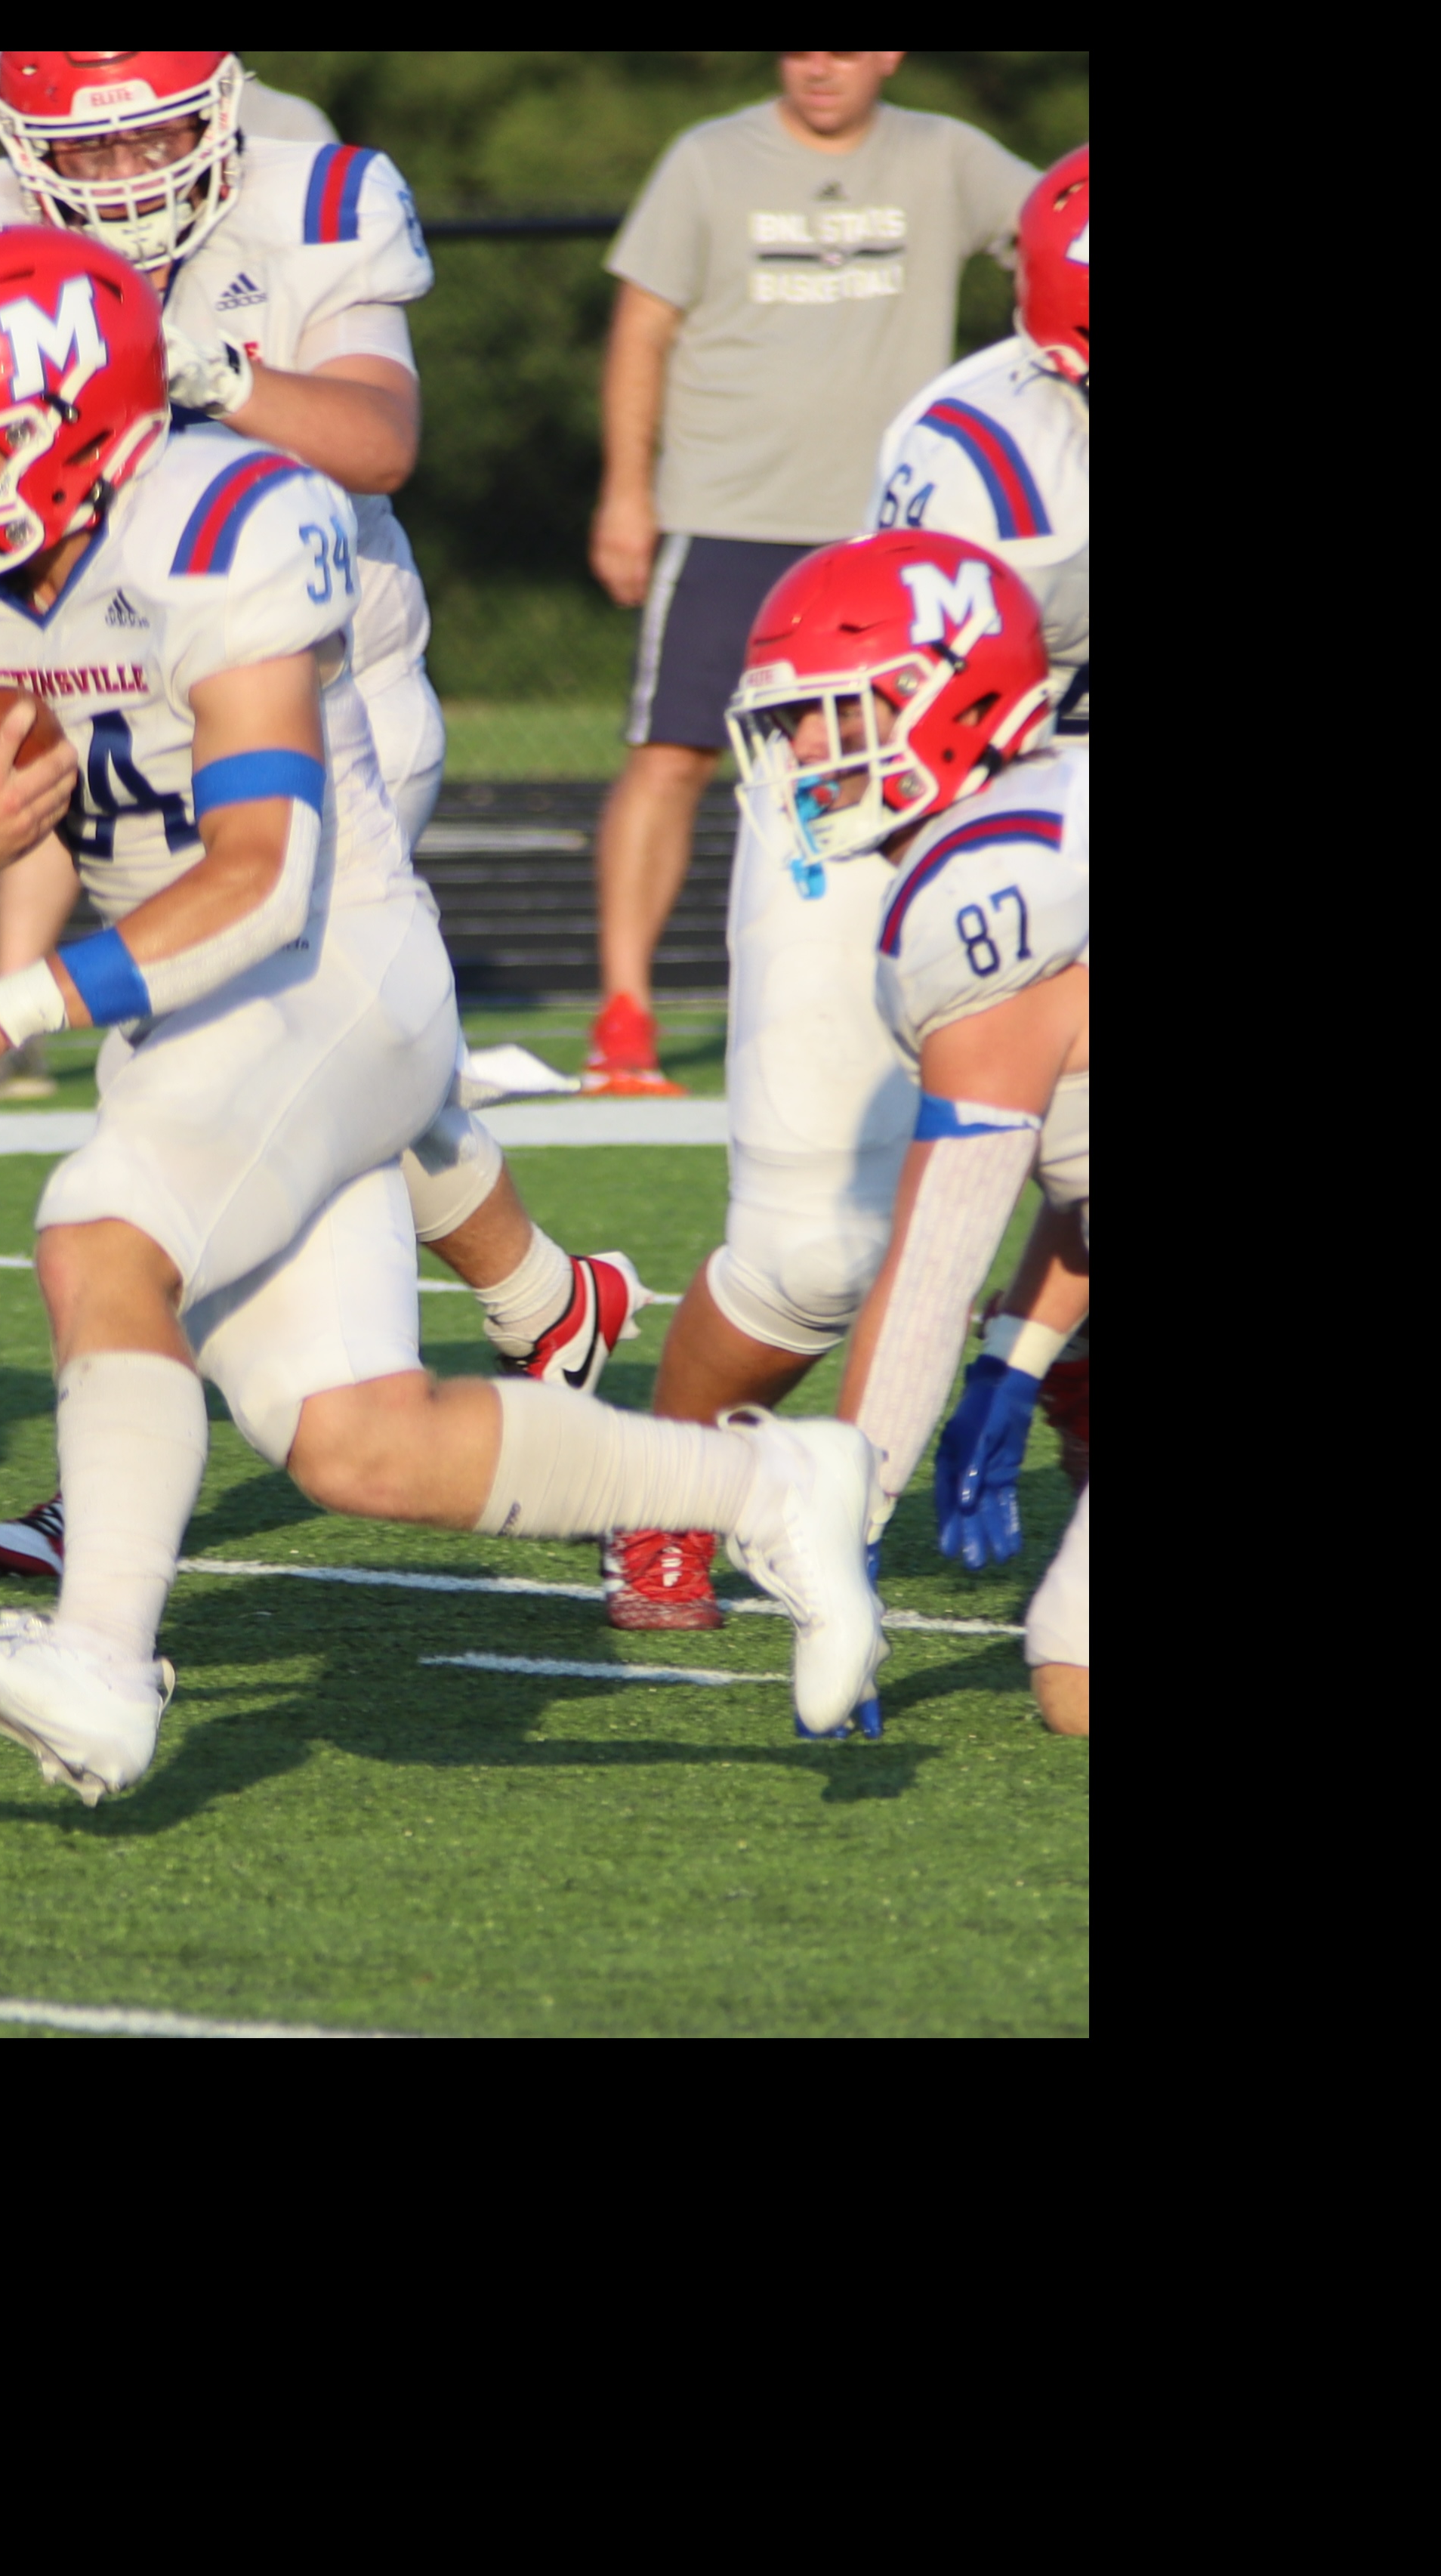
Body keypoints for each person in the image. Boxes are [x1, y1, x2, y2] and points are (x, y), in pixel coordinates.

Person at [0, 229, 887, 1799]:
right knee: (353, 1440)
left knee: (101, 1228)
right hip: (190, 1010)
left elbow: (262, 876)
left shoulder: (224, 518)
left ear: (76, 433)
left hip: (336, 970)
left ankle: (101, 1666)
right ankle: (776, 1485)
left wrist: (13, 1002)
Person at [0, 48, 640, 1585]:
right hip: (92, 679)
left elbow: (381, 441)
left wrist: (203, 376)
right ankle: (549, 1304)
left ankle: (122, 1499)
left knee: (204, 1057)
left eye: (155, 139)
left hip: (317, 681)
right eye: (90, 149)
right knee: (331, 1054)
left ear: (219, 106)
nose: (126, 179)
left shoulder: (313, 197)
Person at [615, 143, 1087, 1630]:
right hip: (892, 804)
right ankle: (669, 1489)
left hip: (1066, 812)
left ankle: (1047, 1371)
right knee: (813, 1258)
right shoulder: (984, 451)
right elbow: (917, 710)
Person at [584, 53, 1034, 1091]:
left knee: (940, 759)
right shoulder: (708, 159)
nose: (819, 66)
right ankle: (624, 1015)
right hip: (727, 513)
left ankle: (940, 985)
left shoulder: (945, 154)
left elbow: (1058, 236)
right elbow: (642, 328)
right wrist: (625, 491)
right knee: (672, 755)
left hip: (888, 532)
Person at [716, 529, 1087, 1727]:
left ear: (954, 697)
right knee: (1075, 1675)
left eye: (830, 713)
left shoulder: (986, 893)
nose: (801, 751)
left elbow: (935, 1264)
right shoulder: (1047, 823)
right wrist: (1013, 1361)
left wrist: (847, 1530)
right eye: (789, 722)